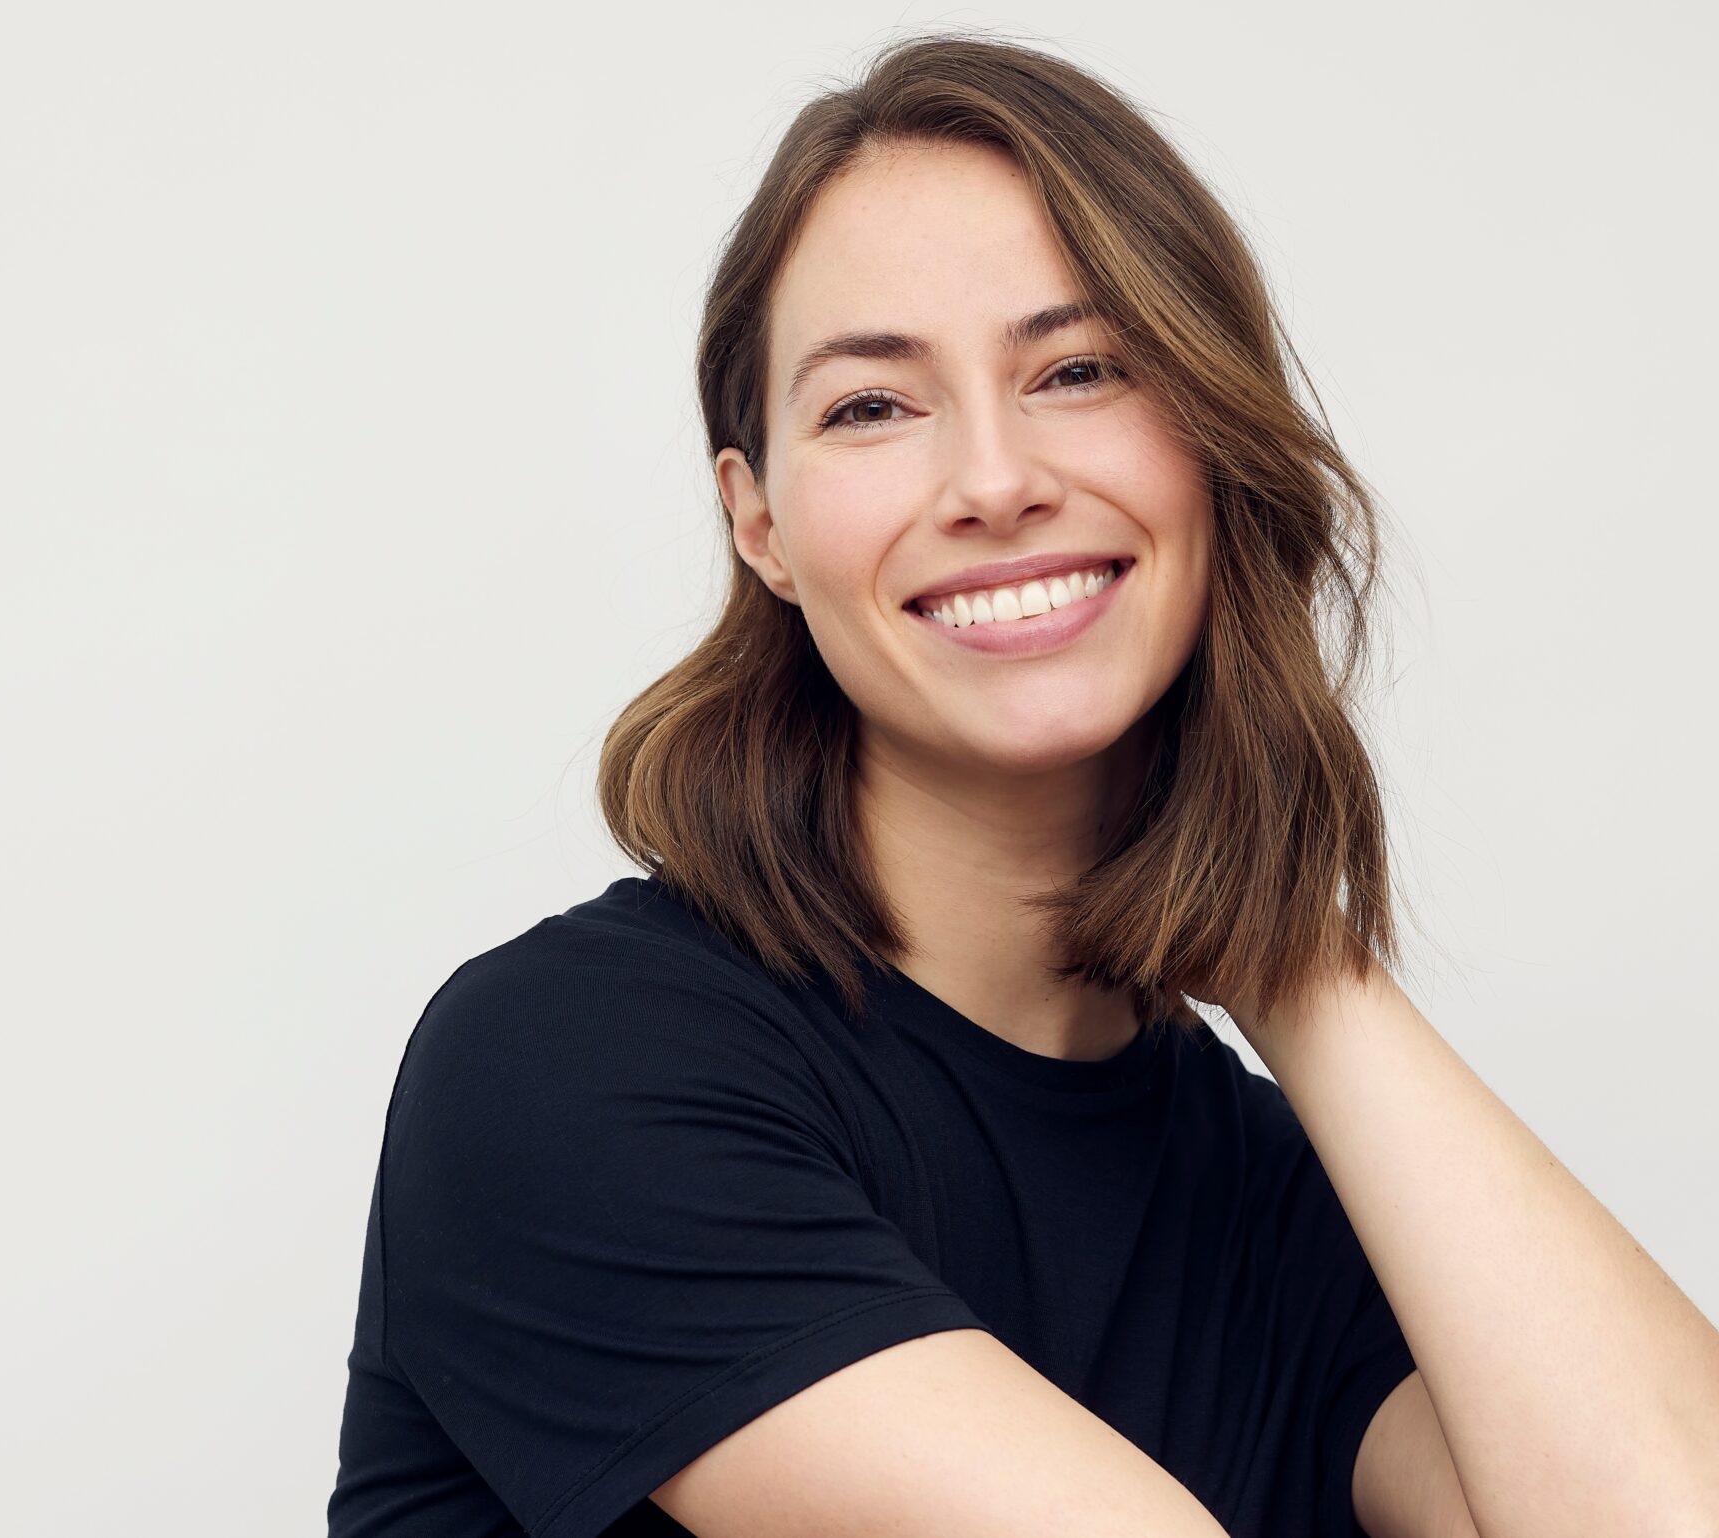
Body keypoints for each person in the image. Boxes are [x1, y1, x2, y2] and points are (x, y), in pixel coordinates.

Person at [326, 31, 1719, 1538]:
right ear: (762, 523)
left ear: (1209, 444)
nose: (994, 480)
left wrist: (1296, 959)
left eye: (1079, 370)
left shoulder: (1265, 1195)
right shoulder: (566, 1065)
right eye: (873, 404)